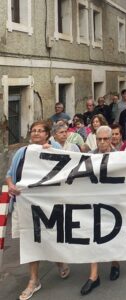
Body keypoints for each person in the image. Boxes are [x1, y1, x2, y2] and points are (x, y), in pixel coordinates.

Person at [5, 120, 70, 300]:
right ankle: (33, 281)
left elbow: (66, 171)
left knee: (48, 236)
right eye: (33, 130)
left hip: (47, 204)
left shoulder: (54, 149)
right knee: (29, 241)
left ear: (47, 134)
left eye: (40, 131)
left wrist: (51, 152)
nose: (36, 133)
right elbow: (10, 174)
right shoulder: (21, 152)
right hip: (24, 204)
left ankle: (58, 261)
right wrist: (11, 185)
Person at [81, 126, 120, 295]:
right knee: (94, 235)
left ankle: (115, 263)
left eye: (105, 139)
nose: (102, 142)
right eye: (99, 139)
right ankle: (94, 276)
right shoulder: (90, 158)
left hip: (115, 204)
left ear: (112, 139)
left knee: (115, 234)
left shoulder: (121, 157)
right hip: (95, 203)